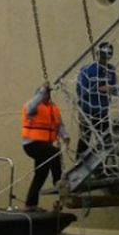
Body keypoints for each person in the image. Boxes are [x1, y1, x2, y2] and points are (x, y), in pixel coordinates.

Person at [76, 41, 119, 164]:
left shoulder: (110, 70)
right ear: (97, 54)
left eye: (108, 55)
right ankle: (79, 164)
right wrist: (98, 89)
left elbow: (111, 88)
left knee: (105, 140)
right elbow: (81, 91)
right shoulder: (87, 70)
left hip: (102, 111)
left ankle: (102, 166)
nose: (105, 58)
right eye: (102, 55)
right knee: (85, 140)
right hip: (87, 110)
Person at [21, 83, 70, 211]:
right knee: (54, 153)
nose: (47, 96)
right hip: (32, 144)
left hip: (44, 145)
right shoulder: (32, 106)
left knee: (41, 174)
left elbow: (59, 125)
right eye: (45, 94)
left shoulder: (53, 109)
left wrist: (65, 136)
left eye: (48, 94)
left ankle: (30, 204)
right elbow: (33, 105)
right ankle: (58, 182)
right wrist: (42, 90)